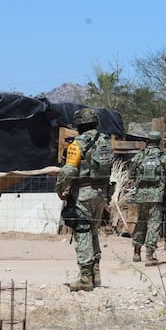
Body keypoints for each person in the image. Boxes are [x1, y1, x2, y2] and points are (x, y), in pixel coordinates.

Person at [55, 107, 114, 292]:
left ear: (79, 124)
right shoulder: (105, 141)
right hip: (101, 192)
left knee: (82, 231)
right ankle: (96, 273)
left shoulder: (78, 144)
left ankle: (85, 277)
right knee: (93, 231)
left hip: (83, 192)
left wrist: (59, 188)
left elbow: (69, 170)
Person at [128, 132, 166, 264]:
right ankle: (149, 255)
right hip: (157, 196)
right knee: (154, 224)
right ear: (159, 142)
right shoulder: (164, 158)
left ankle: (136, 252)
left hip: (141, 195)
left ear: (147, 141)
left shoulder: (139, 155)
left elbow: (130, 175)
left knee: (141, 222)